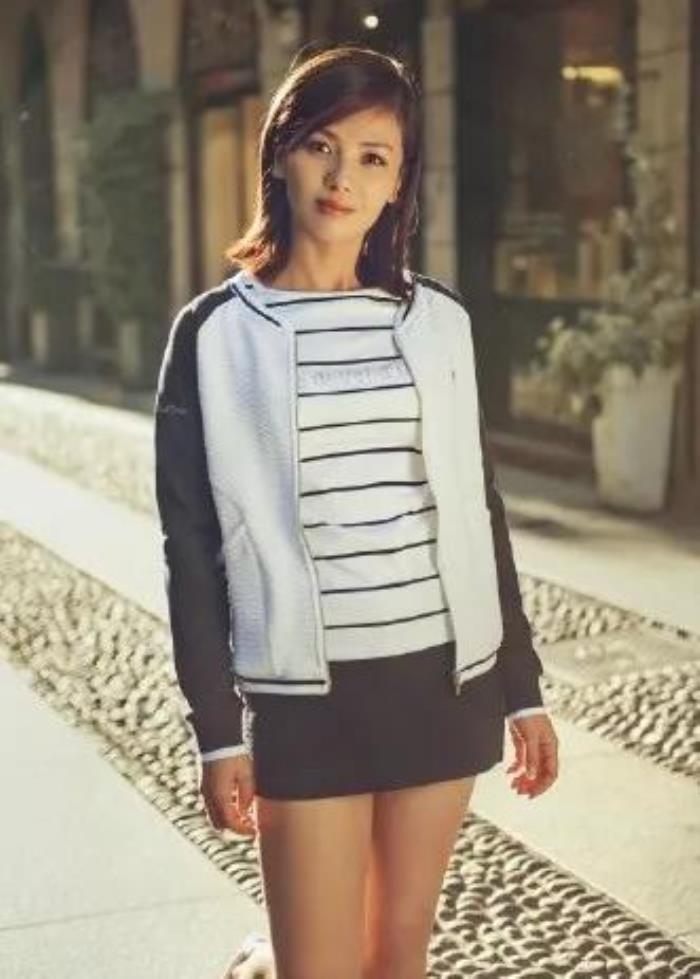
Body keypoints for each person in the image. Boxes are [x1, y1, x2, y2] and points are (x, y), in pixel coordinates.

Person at [153, 42, 559, 979]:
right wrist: (217, 730)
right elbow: (191, 548)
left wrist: (522, 687)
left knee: (397, 959)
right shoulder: (215, 335)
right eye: (321, 146)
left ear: (398, 181)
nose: (343, 178)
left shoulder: (440, 322)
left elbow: (478, 511)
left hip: (440, 686)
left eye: (373, 156)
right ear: (280, 153)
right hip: (306, 702)